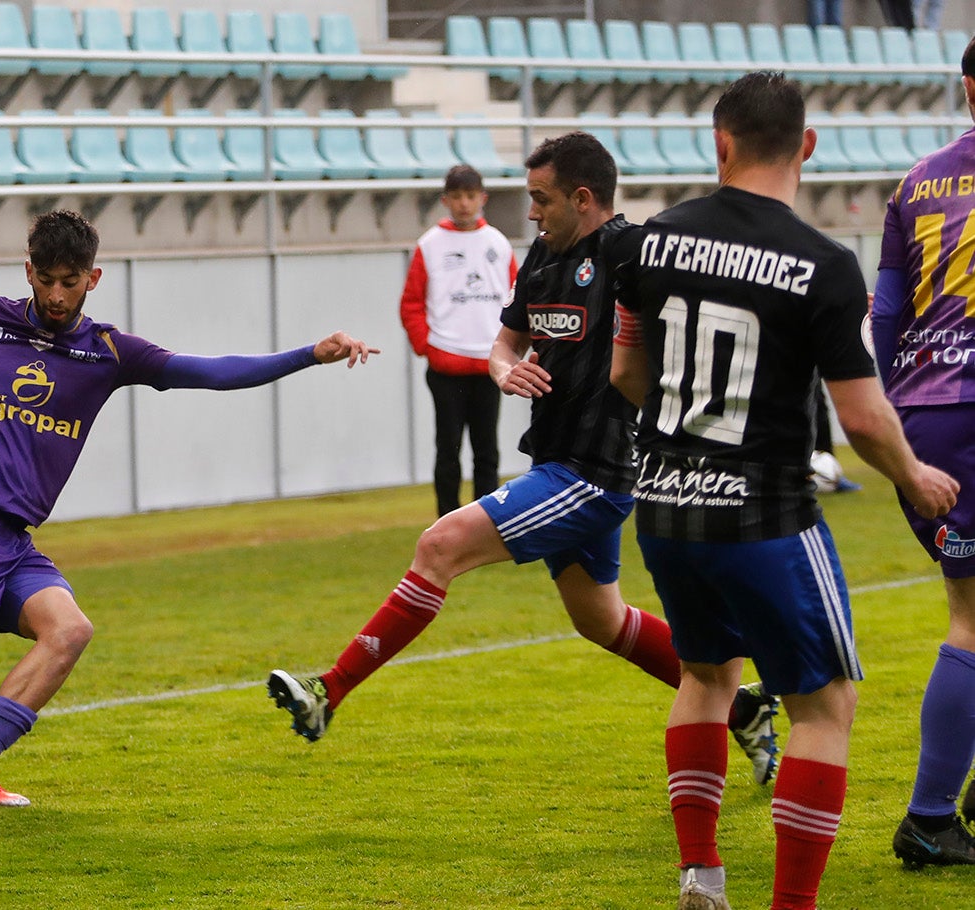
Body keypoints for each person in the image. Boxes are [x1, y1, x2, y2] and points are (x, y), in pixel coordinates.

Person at [0, 209, 379, 812]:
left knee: (69, 631)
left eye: (70, 282)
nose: (57, 295)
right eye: (46, 280)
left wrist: (306, 354)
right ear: (28, 271)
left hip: (10, 535)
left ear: (93, 279)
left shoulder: (110, 352)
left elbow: (210, 371)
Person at [268, 131, 781, 789]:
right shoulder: (541, 256)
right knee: (600, 619)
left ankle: (328, 691)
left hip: (594, 471)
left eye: (540, 199)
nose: (531, 213)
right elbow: (502, 343)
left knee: (440, 544)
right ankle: (742, 707)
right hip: (556, 461)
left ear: (584, 197)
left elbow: (704, 270)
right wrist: (505, 369)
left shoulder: (627, 249)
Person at [610, 72, 958, 909]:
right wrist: (914, 475)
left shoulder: (648, 244)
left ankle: (701, 873)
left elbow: (626, 372)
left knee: (704, 678)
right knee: (823, 706)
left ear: (718, 143)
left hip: (662, 507)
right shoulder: (822, 265)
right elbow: (863, 418)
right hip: (764, 515)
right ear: (806, 146)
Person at [874, 35, 975, 868]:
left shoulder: (917, 179)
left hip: (925, 413)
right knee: (972, 617)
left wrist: (899, 414)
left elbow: (883, 315)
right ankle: (931, 816)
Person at [401, 164, 518, 516]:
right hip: (446, 364)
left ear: (482, 198)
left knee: (487, 451)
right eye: (457, 197)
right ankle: (447, 520)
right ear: (445, 200)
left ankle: (487, 522)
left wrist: (508, 350)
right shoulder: (430, 245)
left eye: (470, 196)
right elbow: (411, 303)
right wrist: (428, 347)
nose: (464, 204)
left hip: (488, 365)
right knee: (447, 449)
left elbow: (515, 299)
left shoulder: (498, 242)